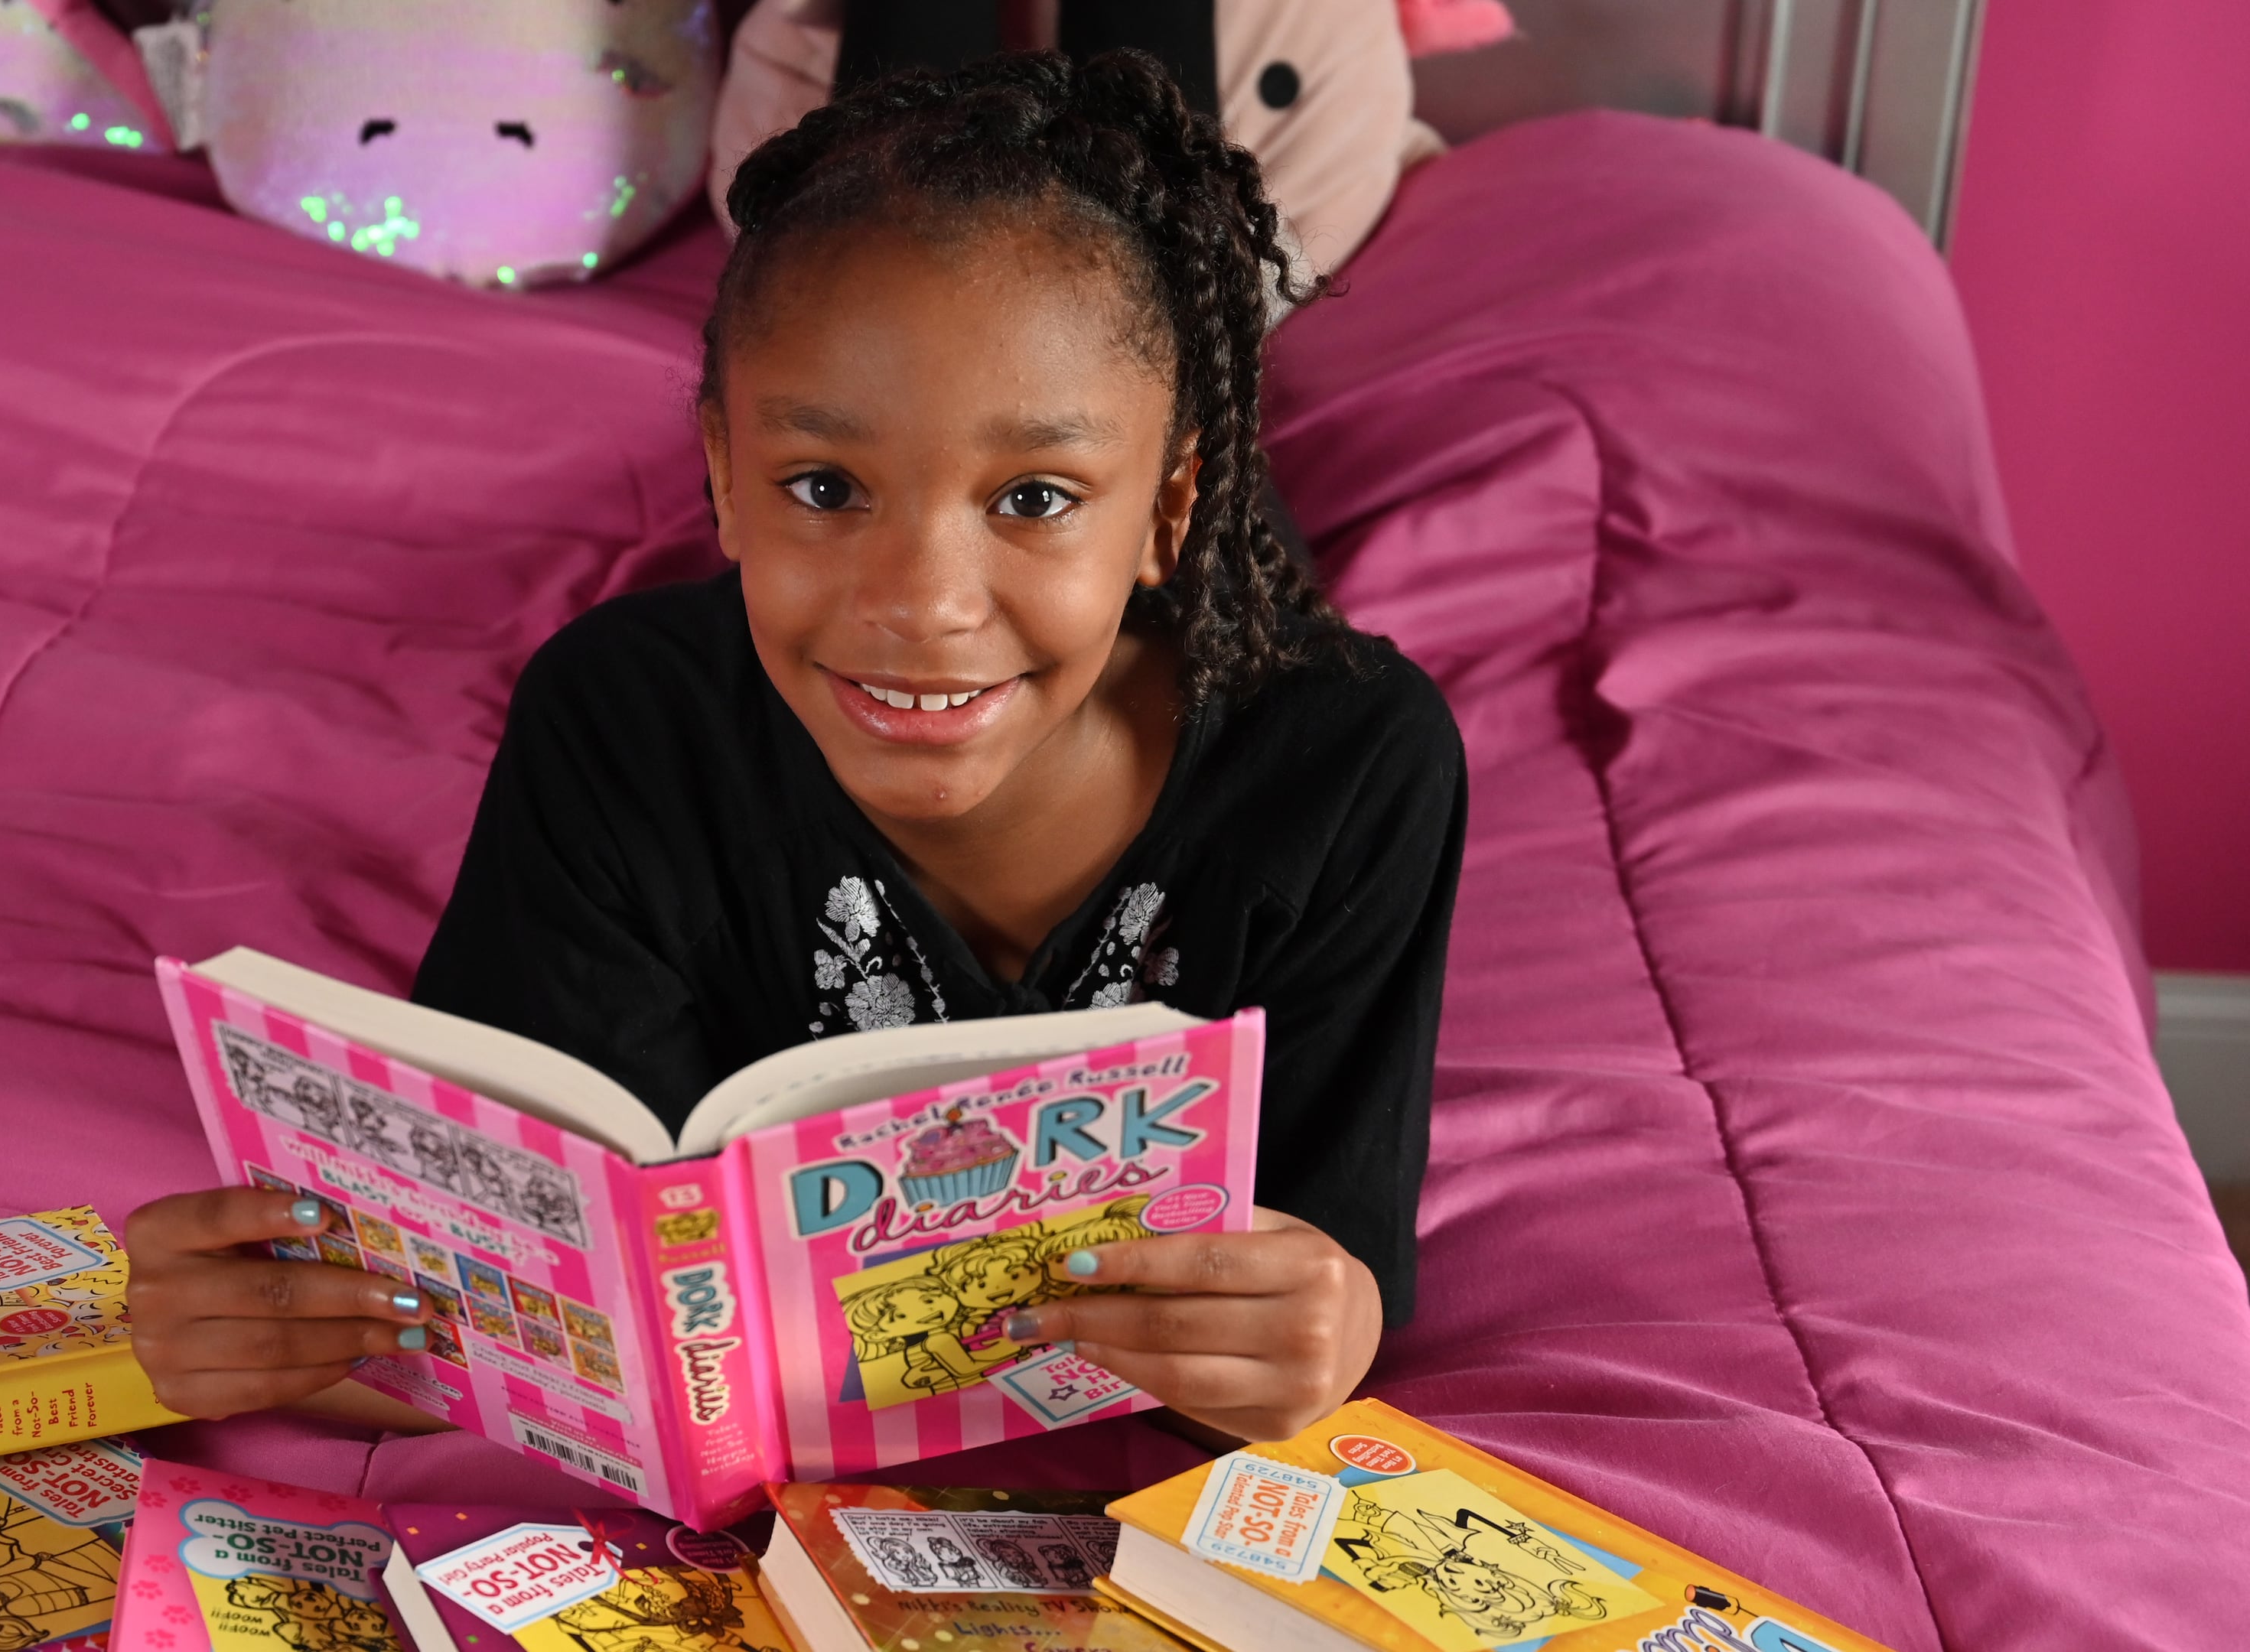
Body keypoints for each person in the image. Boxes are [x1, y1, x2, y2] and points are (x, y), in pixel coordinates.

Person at [125, 47, 1464, 1447]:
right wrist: (270, 1334)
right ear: (720, 472)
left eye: (1033, 496)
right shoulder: (624, 725)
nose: (922, 604)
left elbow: (1331, 1265)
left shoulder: (1351, 765)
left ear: (1170, 504)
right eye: (824, 487)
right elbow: (506, 1297)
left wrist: (1327, 1328)